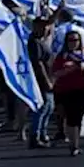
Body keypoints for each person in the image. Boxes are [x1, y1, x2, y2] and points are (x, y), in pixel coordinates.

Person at [51, 30, 84, 157]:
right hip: (65, 90)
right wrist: (70, 68)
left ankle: (75, 143)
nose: (73, 43)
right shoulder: (62, 56)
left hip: (82, 89)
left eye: (76, 40)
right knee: (70, 117)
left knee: (78, 118)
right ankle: (73, 145)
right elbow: (55, 73)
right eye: (71, 40)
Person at [27, 17, 55, 149]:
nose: (44, 28)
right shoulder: (34, 42)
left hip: (49, 77)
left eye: (46, 26)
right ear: (35, 26)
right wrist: (46, 81)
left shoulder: (41, 41)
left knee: (49, 107)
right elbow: (38, 64)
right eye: (41, 25)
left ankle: (43, 134)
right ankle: (35, 136)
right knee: (42, 108)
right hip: (41, 80)